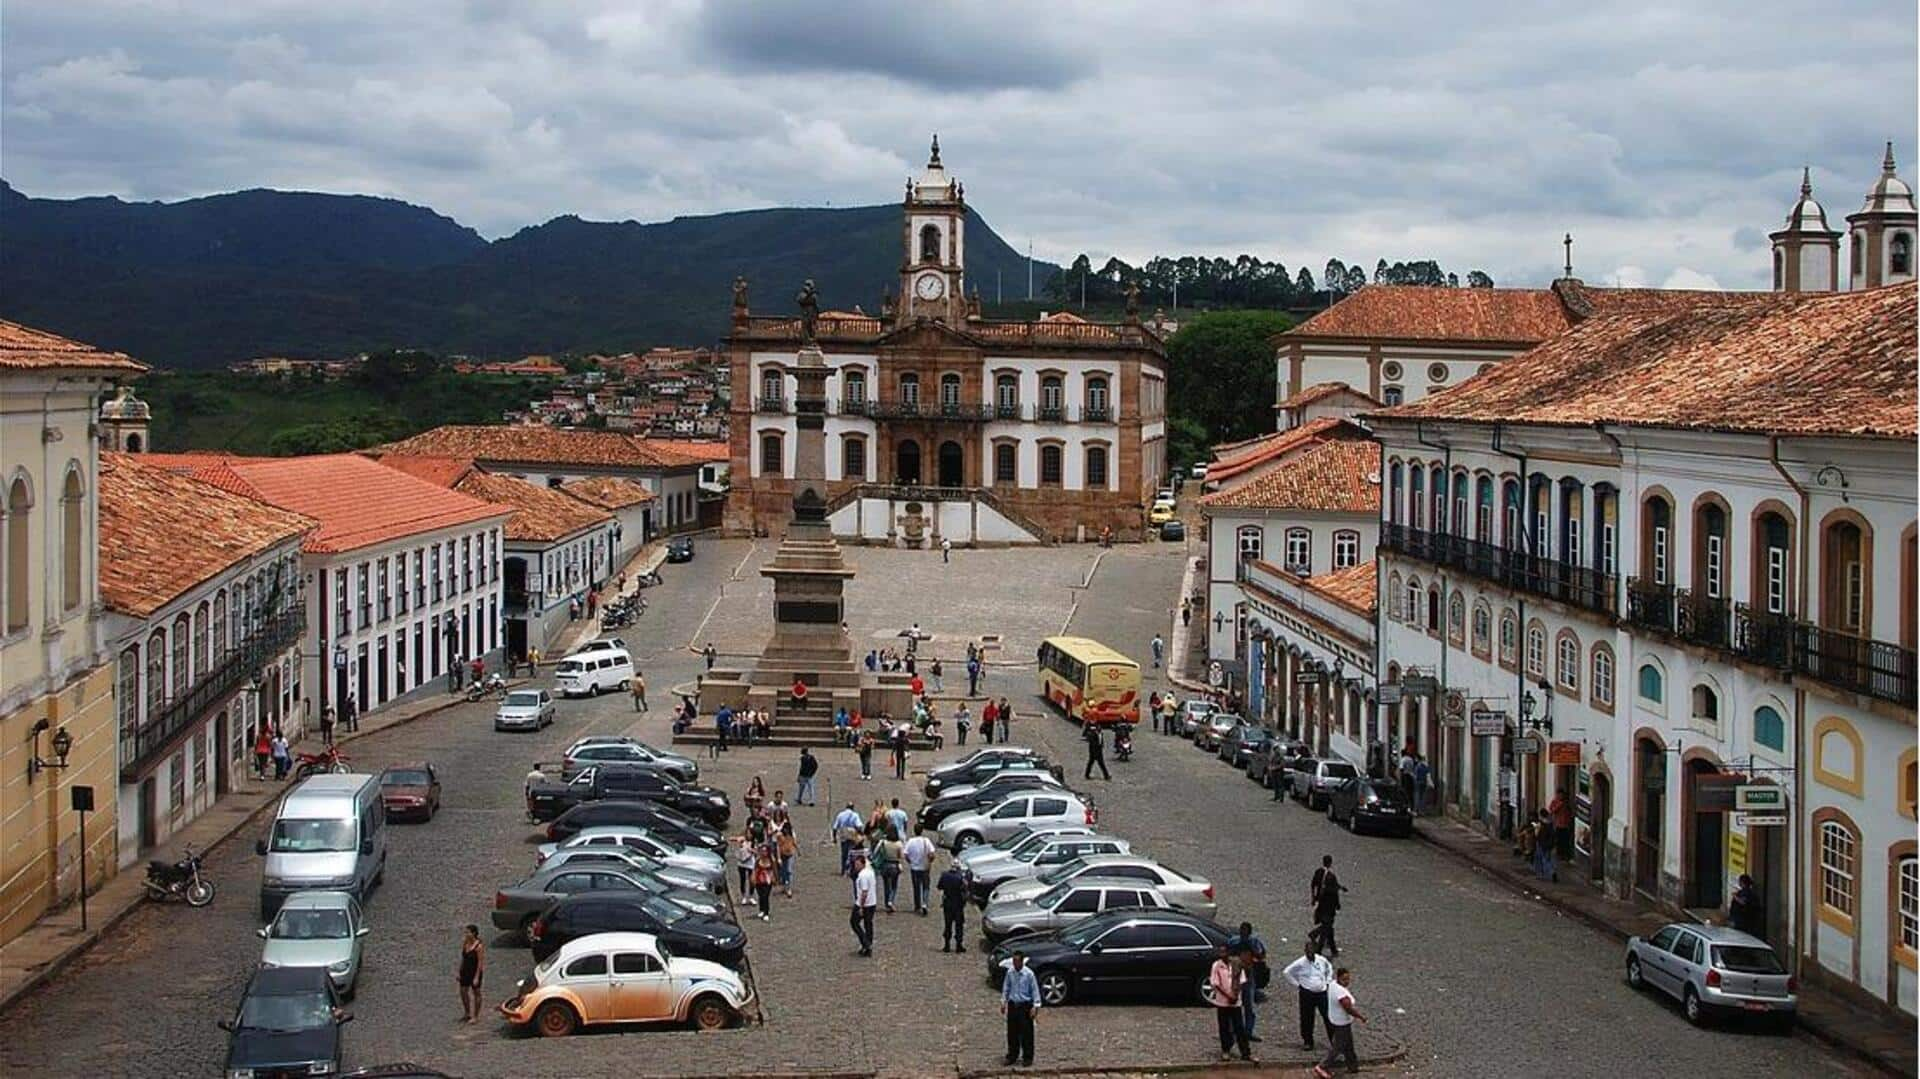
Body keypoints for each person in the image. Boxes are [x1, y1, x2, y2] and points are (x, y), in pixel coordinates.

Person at [1282, 939, 1334, 1051]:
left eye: (1311, 950)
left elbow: (1329, 968)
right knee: (1307, 1018)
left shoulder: (1321, 960)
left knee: (1328, 1017)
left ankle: (1334, 1040)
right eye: (1307, 951)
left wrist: (1328, 981)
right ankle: (1308, 1041)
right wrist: (1298, 984)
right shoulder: (1300, 962)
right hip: (1307, 993)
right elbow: (1287, 972)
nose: (1309, 953)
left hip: (1321, 992)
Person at [1313, 968, 1365, 1078]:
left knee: (1348, 1044)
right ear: (1339, 978)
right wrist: (1360, 1017)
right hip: (1342, 1022)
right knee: (1339, 1046)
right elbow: (1348, 1008)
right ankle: (1322, 1066)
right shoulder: (1341, 992)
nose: (1347, 982)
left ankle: (1353, 1066)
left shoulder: (1333, 985)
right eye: (1344, 979)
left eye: (1348, 979)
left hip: (1336, 1019)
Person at [1209, 945, 1253, 1062]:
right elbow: (1216, 984)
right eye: (1220, 952)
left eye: (1224, 952)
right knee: (1224, 1028)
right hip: (1222, 1002)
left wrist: (1235, 995)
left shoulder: (1236, 964)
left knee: (1239, 1028)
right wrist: (1228, 996)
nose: (1222, 954)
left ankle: (1245, 1052)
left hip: (1236, 1002)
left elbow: (1241, 981)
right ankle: (1226, 1050)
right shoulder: (1217, 966)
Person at [1227, 920, 1269, 1042]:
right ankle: (1234, 1031)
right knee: (1235, 1004)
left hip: (1249, 976)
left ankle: (1248, 1032)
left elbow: (1261, 955)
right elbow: (1227, 953)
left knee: (1249, 1006)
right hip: (1236, 976)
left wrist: (1254, 954)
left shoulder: (1254, 942)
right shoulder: (1234, 941)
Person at [1001, 951, 1041, 1067]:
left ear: (1022, 961)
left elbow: (1035, 991)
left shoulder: (1029, 974)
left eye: (1017, 961)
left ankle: (1028, 1057)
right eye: (1013, 961)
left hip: (1024, 1006)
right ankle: (1012, 1055)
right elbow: (1006, 987)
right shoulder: (1010, 972)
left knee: (1026, 1033)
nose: (1015, 964)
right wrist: (1003, 1002)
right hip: (1013, 1005)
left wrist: (1035, 1006)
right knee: (1012, 1032)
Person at [1310, 855, 1344, 957]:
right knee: (1327, 926)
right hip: (1329, 906)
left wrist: (1313, 897)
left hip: (1321, 904)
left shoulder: (1319, 872)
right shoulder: (1331, 876)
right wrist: (1338, 905)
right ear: (1330, 863)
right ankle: (1321, 948)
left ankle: (1317, 936)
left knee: (1328, 926)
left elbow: (1313, 884)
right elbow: (1334, 893)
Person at [849, 852, 878, 956]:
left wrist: (860, 906)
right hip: (872, 902)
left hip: (864, 904)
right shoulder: (870, 871)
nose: (856, 867)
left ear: (862, 864)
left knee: (854, 922)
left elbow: (864, 892)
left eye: (857, 865)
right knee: (868, 924)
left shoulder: (863, 875)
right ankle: (868, 944)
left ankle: (865, 943)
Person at [457, 924, 486, 1024]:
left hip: (474, 972)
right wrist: (459, 971)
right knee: (463, 991)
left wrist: (477, 977)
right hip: (465, 971)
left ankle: (476, 1016)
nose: (466, 934)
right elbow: (463, 958)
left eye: (468, 932)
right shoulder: (465, 943)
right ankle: (467, 1012)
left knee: (476, 993)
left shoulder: (479, 947)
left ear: (473, 933)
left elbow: (480, 963)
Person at [938, 859, 969, 950]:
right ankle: (958, 945)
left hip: (947, 902)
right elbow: (965, 890)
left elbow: (940, 886)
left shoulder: (944, 875)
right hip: (958, 904)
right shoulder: (961, 878)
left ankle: (947, 945)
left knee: (948, 924)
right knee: (959, 925)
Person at [904, 830, 937, 915]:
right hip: (924, 868)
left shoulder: (910, 841)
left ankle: (917, 905)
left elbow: (906, 854)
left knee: (916, 887)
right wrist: (930, 861)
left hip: (914, 868)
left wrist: (910, 862)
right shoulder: (926, 841)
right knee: (926, 887)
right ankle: (925, 903)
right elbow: (932, 853)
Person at [874, 828, 904, 913]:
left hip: (885, 865)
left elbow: (876, 852)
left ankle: (887, 902)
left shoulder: (883, 842)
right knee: (894, 885)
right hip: (894, 864)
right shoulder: (899, 844)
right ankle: (891, 900)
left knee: (886, 885)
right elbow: (901, 856)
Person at [1729, 873, 1764, 937]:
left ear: (1742, 882)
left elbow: (1743, 902)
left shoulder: (1747, 893)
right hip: (1742, 921)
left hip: (1744, 922)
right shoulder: (1742, 892)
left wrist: (1735, 897)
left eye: (1740, 881)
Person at [833, 802, 863, 876]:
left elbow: (835, 827)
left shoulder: (840, 814)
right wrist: (861, 834)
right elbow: (859, 826)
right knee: (851, 853)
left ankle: (843, 870)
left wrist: (834, 838)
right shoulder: (855, 815)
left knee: (844, 853)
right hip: (852, 835)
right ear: (853, 808)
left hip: (843, 834)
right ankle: (849, 869)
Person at [1550, 786, 1575, 861]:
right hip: (1558, 824)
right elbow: (1552, 810)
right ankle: (1559, 854)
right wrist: (1559, 805)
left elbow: (1570, 811)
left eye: (1562, 795)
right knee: (1559, 840)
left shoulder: (1566, 802)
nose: (1561, 796)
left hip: (1566, 824)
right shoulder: (1555, 801)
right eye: (1559, 794)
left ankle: (1566, 855)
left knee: (1566, 840)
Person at [751, 847, 776, 921]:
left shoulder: (771, 860)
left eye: (765, 851)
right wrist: (753, 877)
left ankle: (766, 912)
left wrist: (774, 878)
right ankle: (761, 909)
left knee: (766, 896)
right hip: (759, 880)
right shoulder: (758, 860)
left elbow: (774, 869)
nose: (763, 853)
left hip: (768, 880)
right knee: (761, 895)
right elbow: (755, 869)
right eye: (762, 851)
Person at [1534, 809, 1558, 882]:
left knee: (1540, 859)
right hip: (1550, 844)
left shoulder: (1540, 824)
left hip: (1541, 843)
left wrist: (1536, 828)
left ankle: (1544, 873)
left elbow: (1537, 834)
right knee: (1547, 859)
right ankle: (1551, 871)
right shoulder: (1551, 823)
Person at [776, 822, 798, 898]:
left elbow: (794, 843)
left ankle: (789, 888)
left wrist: (798, 851)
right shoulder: (779, 835)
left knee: (789, 871)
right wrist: (778, 858)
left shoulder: (791, 835)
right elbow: (778, 847)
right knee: (783, 871)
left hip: (790, 854)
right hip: (783, 855)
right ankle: (785, 885)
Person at [735, 835, 756, 901]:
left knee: (752, 880)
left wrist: (751, 850)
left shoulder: (754, 843)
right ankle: (743, 896)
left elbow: (757, 852)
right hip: (742, 863)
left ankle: (751, 896)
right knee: (742, 880)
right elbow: (738, 850)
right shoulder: (742, 841)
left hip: (750, 864)